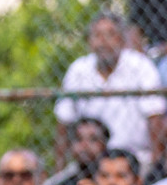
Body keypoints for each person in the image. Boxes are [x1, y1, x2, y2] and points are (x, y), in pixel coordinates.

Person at [54, 13, 165, 171]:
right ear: (89, 41)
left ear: (121, 39)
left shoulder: (140, 67)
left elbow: (155, 118)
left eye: (110, 34)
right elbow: (64, 122)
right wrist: (59, 169)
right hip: (90, 162)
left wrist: (155, 167)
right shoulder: (78, 70)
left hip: (135, 160)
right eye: (97, 35)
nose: (103, 42)